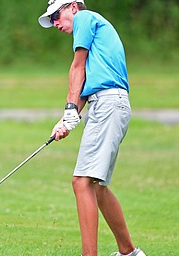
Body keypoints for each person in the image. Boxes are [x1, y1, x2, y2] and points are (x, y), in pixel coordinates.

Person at [38, 1, 146, 256]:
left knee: (81, 182)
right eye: (51, 19)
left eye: (56, 15)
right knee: (97, 186)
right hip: (109, 104)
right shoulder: (94, 34)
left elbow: (77, 69)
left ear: (73, 7)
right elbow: (85, 82)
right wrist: (67, 118)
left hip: (109, 104)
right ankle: (129, 253)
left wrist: (69, 108)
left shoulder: (85, 19)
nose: (55, 23)